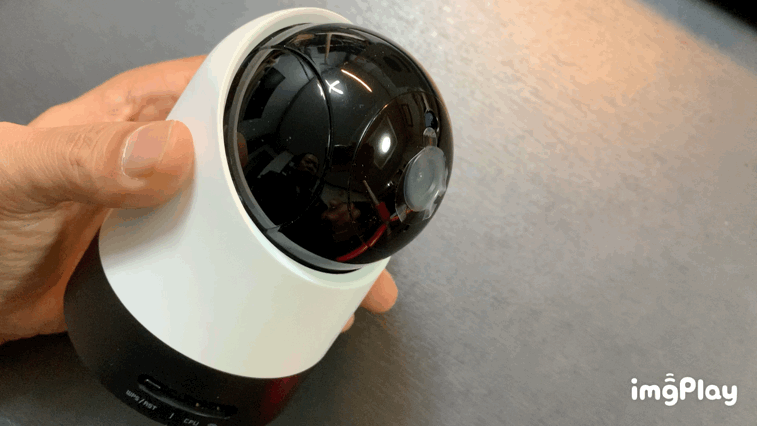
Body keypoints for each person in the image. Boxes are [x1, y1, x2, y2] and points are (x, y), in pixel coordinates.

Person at [0, 55, 397, 346]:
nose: (342, 210)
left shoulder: (328, 240)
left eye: (350, 212)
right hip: (117, 272)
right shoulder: (280, 183)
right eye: (345, 205)